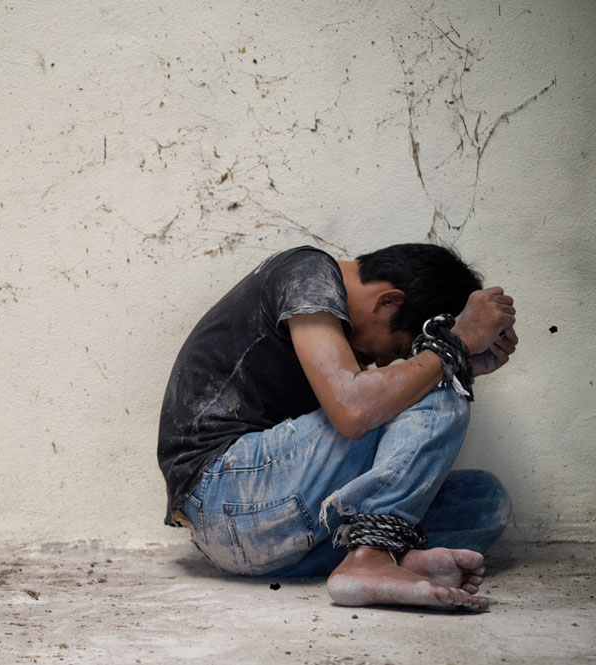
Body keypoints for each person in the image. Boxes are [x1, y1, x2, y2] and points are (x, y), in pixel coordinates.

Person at [158, 244, 517, 611]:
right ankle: (371, 560)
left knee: (483, 501)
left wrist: (458, 363)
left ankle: (381, 558)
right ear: (389, 301)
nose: (383, 361)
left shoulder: (330, 323)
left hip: (267, 532)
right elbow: (353, 409)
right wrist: (449, 352)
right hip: (225, 492)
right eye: (398, 348)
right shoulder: (307, 272)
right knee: (433, 385)